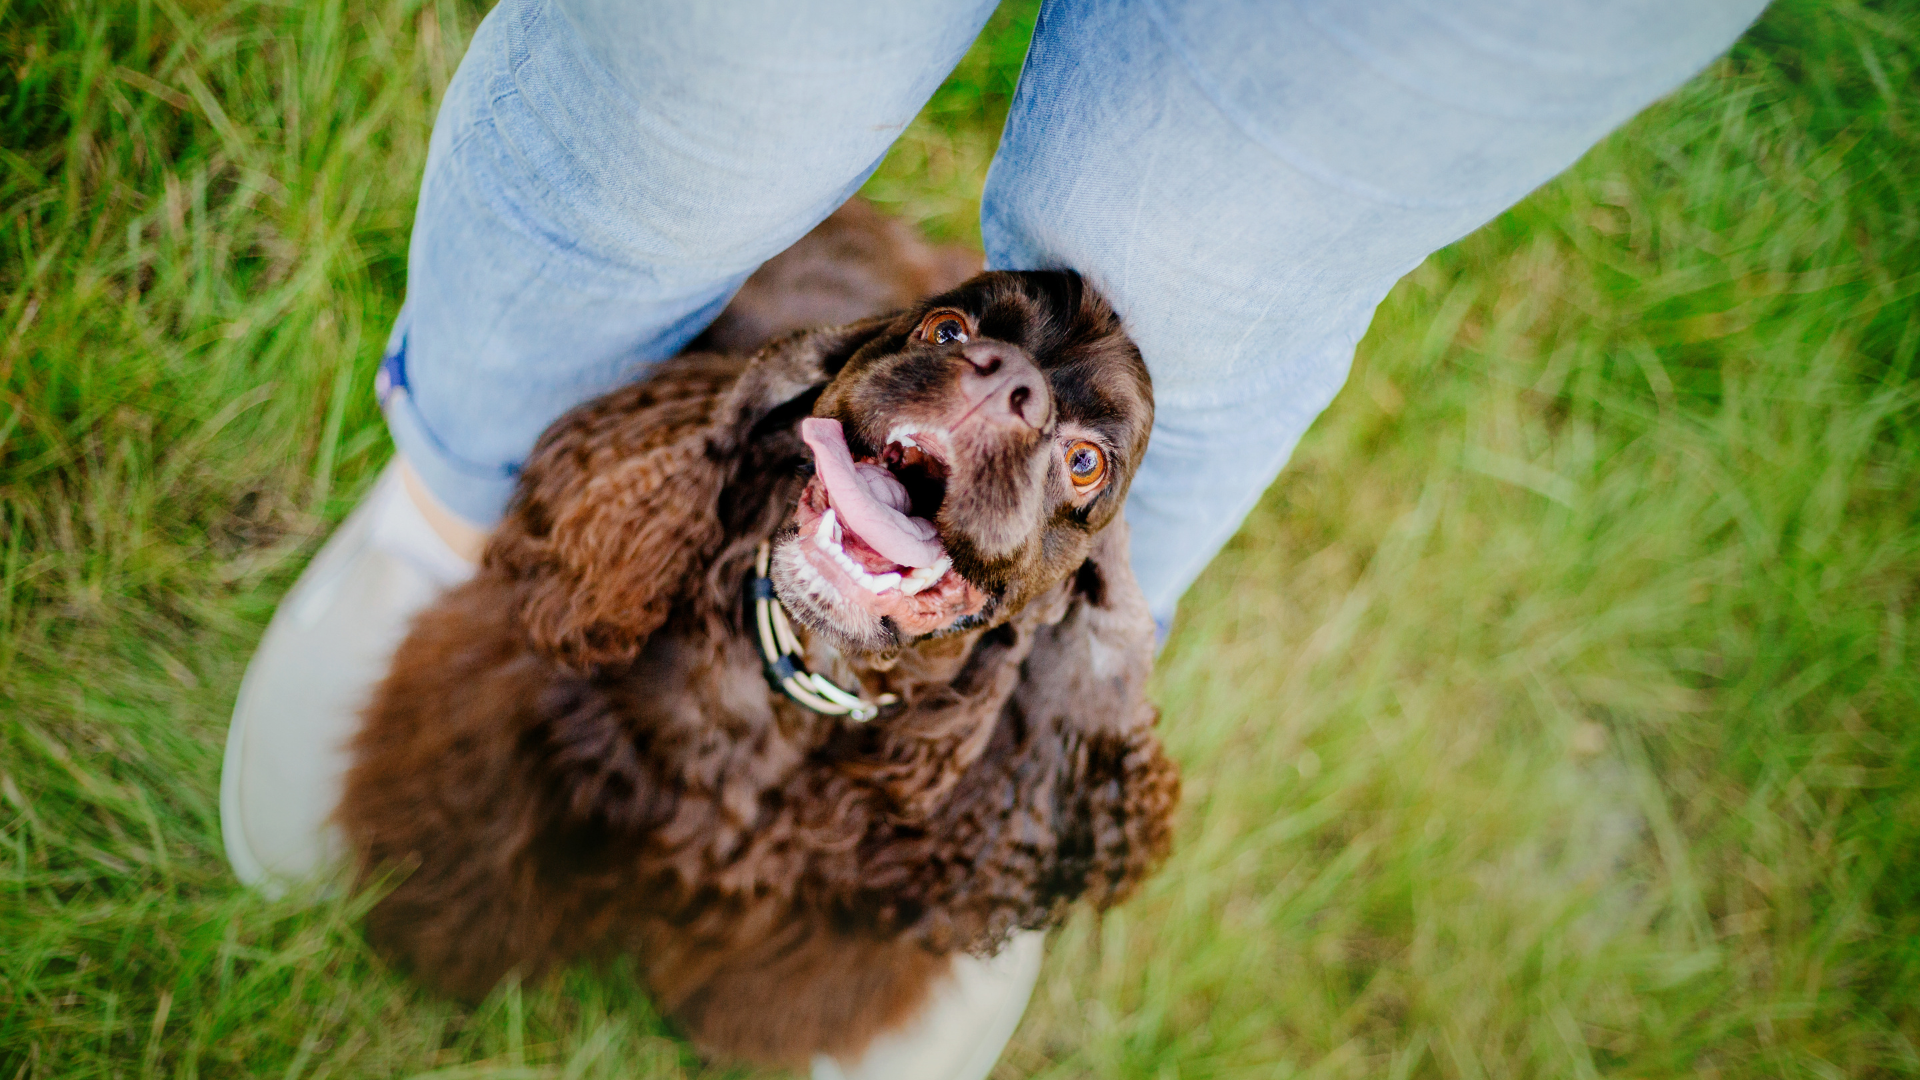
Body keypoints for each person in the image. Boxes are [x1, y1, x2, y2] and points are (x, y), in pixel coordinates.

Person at [220, 1, 1769, 1077]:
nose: (1003, 380)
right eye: (962, 337)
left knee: (1205, 253)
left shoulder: (1042, 650)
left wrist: (1071, 701)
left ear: (1075, 598)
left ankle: (1010, 812)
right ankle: (454, 503)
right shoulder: (745, 437)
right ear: (795, 404)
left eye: (1077, 456)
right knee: (712, 75)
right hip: (732, 446)